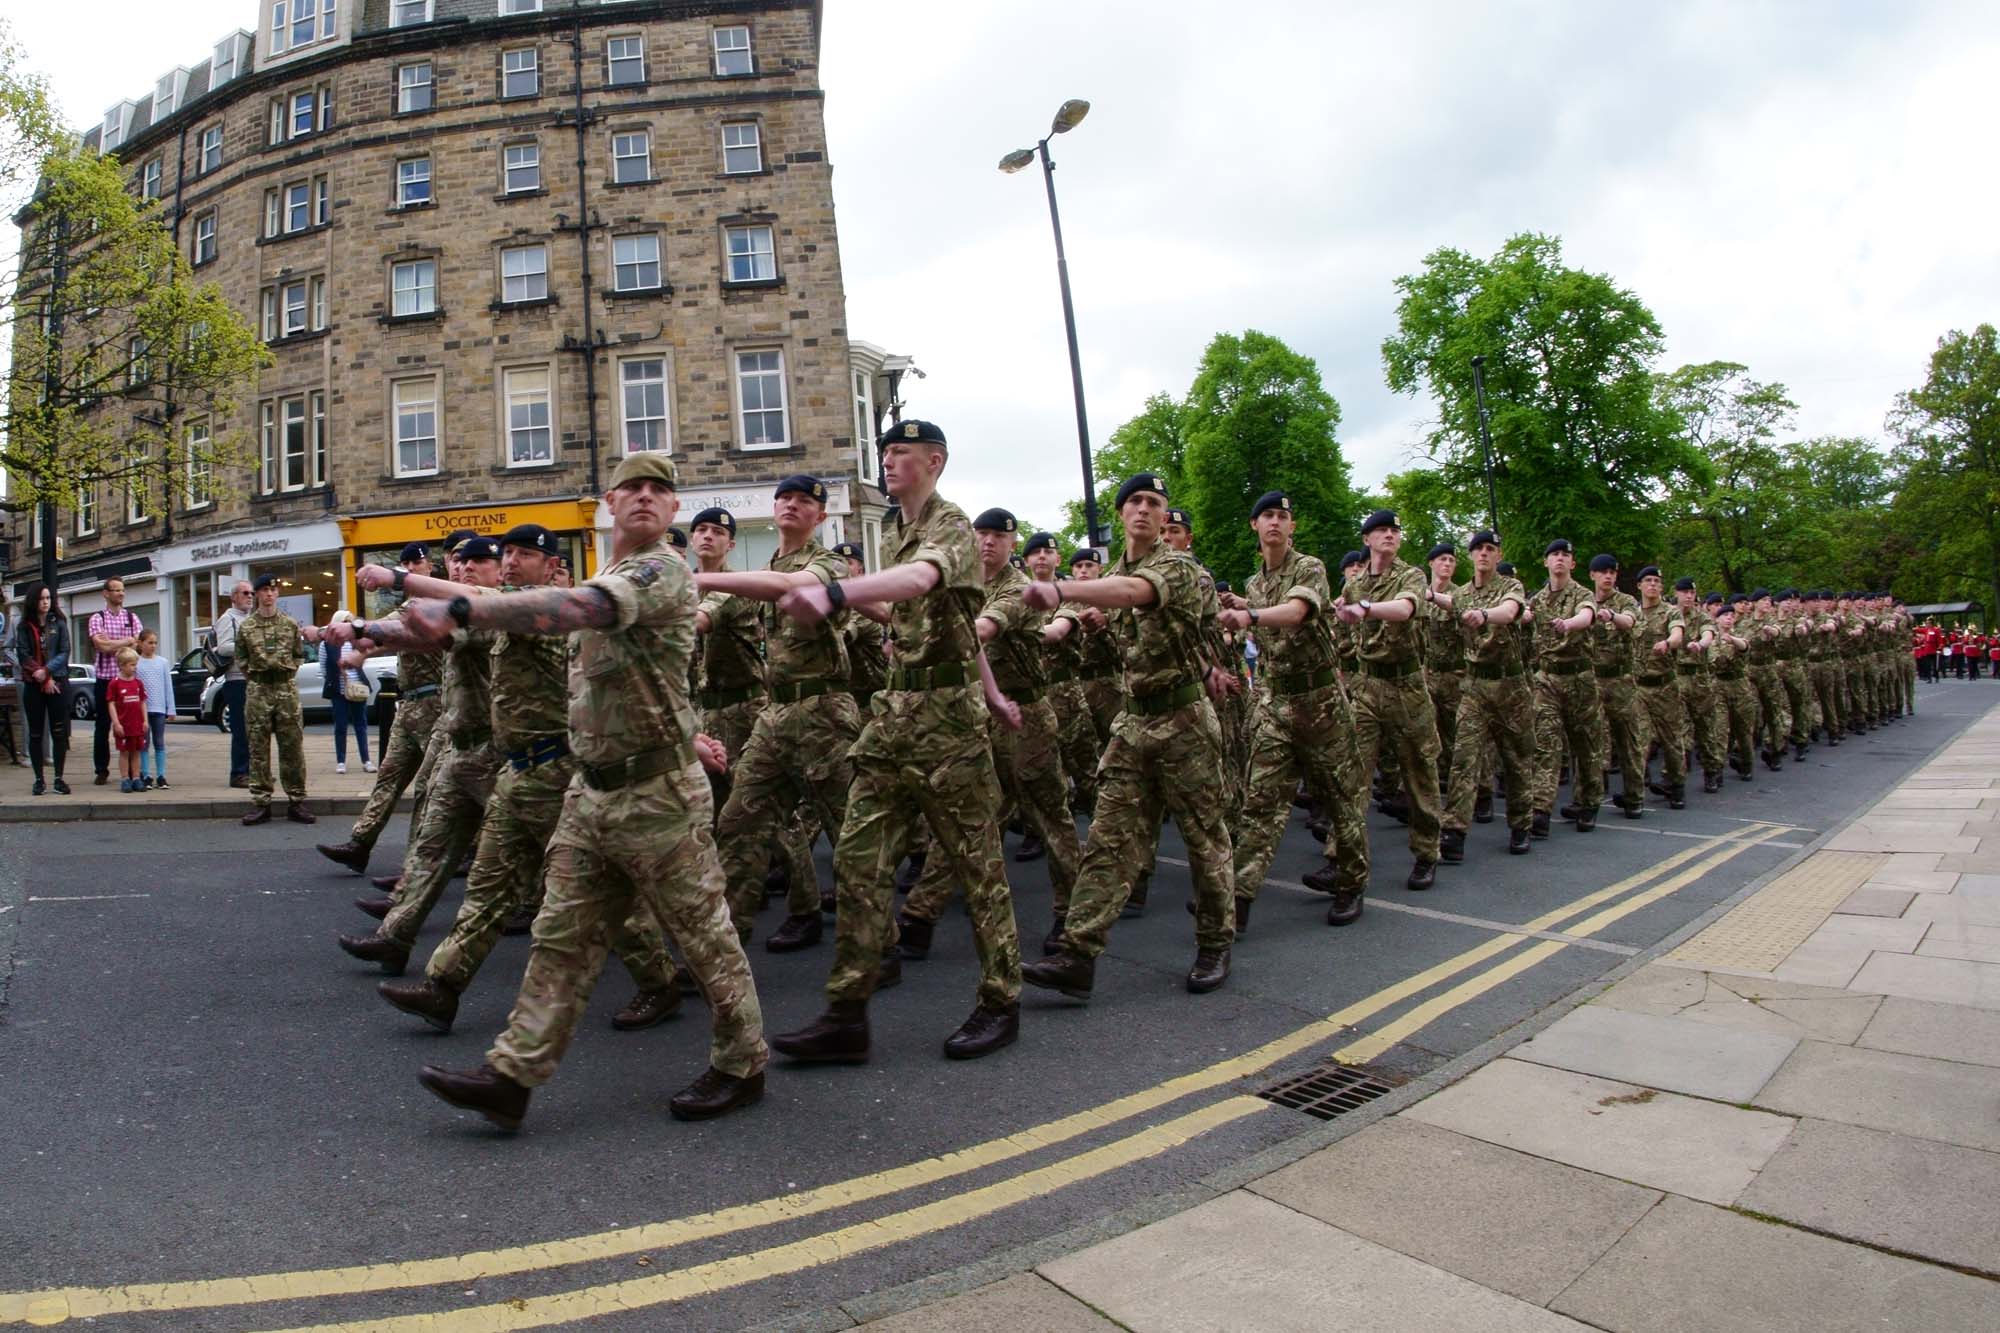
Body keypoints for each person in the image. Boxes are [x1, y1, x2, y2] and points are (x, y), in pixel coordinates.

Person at [410, 452, 768, 1129]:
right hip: (593, 789)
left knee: (704, 938)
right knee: (560, 933)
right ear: (609, 500)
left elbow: (580, 607)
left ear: (672, 510)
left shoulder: (659, 571)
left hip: (658, 794)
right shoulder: (611, 570)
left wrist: (460, 605)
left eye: (659, 489)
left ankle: (742, 1061)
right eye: (632, 486)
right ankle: (512, 1074)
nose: (645, 496)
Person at [765, 420, 1026, 1062]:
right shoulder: (901, 532)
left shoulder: (951, 527)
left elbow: (920, 585)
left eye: (899, 451)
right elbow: (956, 629)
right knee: (857, 857)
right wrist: (994, 690)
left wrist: (834, 592)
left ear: (934, 460)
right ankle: (847, 1011)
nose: (886, 459)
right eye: (883, 450)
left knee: (977, 865)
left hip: (947, 729)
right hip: (894, 717)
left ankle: (1001, 1001)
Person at [1020, 471, 1238, 999]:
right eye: (1134, 501)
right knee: (1107, 837)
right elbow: (1110, 619)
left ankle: (1214, 944)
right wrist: (1083, 624)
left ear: (1165, 517)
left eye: (1154, 503)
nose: (1143, 509)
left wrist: (1059, 589)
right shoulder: (1114, 572)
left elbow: (1134, 592)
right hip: (1134, 722)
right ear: (1120, 513)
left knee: (1203, 839)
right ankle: (1079, 953)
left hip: (1184, 720)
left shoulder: (1180, 569)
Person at [901, 507, 1081, 959]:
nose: (986, 543)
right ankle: (920, 916)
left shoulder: (1016, 588)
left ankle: (1072, 915)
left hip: (1026, 715)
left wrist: (930, 638)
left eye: (996, 536)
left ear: (1011, 542)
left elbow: (984, 627)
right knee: (966, 816)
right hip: (979, 714)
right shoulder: (966, 586)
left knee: (1049, 815)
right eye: (980, 535)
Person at [696, 478, 862, 952]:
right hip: (776, 714)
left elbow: (792, 587)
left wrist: (701, 578)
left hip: (824, 713)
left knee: (849, 836)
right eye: (786, 499)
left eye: (806, 501)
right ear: (773, 509)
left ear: (821, 517)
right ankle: (723, 949)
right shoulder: (770, 564)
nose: (793, 505)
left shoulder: (826, 563)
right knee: (738, 823)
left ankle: (878, 944)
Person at [1219, 491, 1371, 927]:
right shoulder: (1254, 583)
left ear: (1292, 527)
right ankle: (1240, 896)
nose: (1274, 522)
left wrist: (1252, 617)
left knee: (1342, 798)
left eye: (1282, 517)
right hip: (1278, 702)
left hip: (1321, 702)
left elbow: (1298, 610)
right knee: (1262, 800)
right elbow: (1268, 610)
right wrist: (1245, 606)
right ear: (1255, 525)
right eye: (1267, 515)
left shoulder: (1310, 567)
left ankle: (1351, 882)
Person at [317, 542, 447, 877]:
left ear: (428, 567)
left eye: (415, 564)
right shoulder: (410, 605)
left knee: (429, 787)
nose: (409, 569)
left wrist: (350, 633)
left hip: (436, 703)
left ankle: (417, 869)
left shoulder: (438, 602)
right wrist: (362, 652)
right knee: (389, 776)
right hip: (410, 702)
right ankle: (360, 843)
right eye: (404, 563)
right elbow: (391, 634)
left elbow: (392, 629)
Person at [1336, 509, 1443, 889]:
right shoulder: (1354, 584)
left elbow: (1405, 608)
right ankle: (1343, 860)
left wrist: (1366, 609)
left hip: (1407, 687)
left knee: (1419, 773)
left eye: (1394, 531)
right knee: (1353, 774)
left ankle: (1427, 852)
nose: (1389, 536)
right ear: (1366, 540)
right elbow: (1345, 642)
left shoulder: (1410, 575)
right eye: (1381, 530)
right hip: (1367, 687)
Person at [1433, 530, 1535, 861]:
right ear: (1471, 555)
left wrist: (1485, 615)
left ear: (1498, 555)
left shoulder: (1510, 587)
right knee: (1464, 758)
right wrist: (1430, 595)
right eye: (1478, 549)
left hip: (1510, 687)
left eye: (1490, 549)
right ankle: (1455, 830)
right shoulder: (1462, 593)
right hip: (1474, 687)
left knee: (1516, 759)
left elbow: (1508, 611)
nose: (1484, 554)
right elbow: (1453, 604)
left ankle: (1521, 824)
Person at [239, 573, 319, 824]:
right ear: (257, 595)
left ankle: (297, 801)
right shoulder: (247, 627)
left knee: (292, 747)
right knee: (258, 748)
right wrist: (257, 676)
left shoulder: (290, 624)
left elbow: (298, 655)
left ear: (277, 593)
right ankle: (261, 802)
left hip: (285, 689)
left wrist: (284, 673)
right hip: (259, 689)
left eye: (273, 590)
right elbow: (241, 660)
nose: (269, 594)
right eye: (263, 590)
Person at [1586, 554, 1646, 817]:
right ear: (1593, 575)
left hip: (1620, 681)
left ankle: (1634, 797)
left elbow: (1630, 622)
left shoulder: (1626, 601)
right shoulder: (1583, 602)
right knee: (1592, 741)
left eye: (1612, 572)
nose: (1608, 576)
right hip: (1592, 679)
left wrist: (1612, 616)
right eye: (1603, 572)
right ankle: (1590, 798)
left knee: (1628, 741)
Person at [1633, 567, 1690, 808]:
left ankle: (1676, 785)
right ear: (1639, 586)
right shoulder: (1632, 613)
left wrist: (1668, 642)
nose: (1653, 585)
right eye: (1648, 580)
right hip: (1639, 687)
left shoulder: (1670, 612)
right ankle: (1635, 791)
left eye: (1657, 581)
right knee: (1639, 739)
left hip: (1665, 685)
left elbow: (1678, 635)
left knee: (1671, 739)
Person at [12, 583, 71, 795]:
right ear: (33, 601)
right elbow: (23, 654)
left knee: (59, 732)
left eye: (48, 598)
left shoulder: (60, 622)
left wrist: (46, 671)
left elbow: (64, 652)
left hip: (58, 682)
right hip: (33, 684)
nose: (45, 602)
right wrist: (40, 674)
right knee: (36, 733)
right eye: (41, 598)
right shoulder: (24, 625)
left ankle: (58, 778)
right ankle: (39, 779)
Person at [86, 577, 144, 786]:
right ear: (106, 593)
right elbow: (102, 646)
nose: (121, 594)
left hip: (128, 680)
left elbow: (137, 646)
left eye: (122, 590)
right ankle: (101, 769)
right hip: (105, 679)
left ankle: (131, 771)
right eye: (116, 590)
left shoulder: (132, 617)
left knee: (130, 725)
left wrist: (116, 643)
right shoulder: (97, 618)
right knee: (102, 725)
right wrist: (125, 641)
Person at [212, 580, 254, 788]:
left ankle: (253, 771)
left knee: (255, 729)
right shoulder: (227, 618)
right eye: (245, 593)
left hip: (252, 679)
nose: (250, 596)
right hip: (236, 680)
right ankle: (238, 773)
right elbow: (223, 648)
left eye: (251, 593)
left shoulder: (250, 618)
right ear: (234, 596)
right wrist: (248, 645)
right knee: (241, 729)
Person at [321, 611, 373, 775]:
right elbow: (324, 668)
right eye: (344, 622)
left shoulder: (356, 642)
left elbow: (362, 660)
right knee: (341, 726)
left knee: (361, 725)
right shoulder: (327, 644)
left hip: (357, 687)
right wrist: (335, 679)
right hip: (339, 691)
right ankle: (341, 761)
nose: (347, 626)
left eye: (349, 623)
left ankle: (366, 760)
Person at [133, 629, 175, 790]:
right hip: (141, 709)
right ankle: (146, 774)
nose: (153, 646)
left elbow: (167, 686)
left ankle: (161, 774)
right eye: (149, 642)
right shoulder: (136, 662)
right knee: (144, 742)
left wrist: (170, 708)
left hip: (158, 707)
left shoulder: (162, 662)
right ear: (141, 643)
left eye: (155, 643)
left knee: (159, 741)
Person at [106, 648, 147, 792]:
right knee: (124, 752)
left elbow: (142, 702)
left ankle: (136, 777)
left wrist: (145, 721)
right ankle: (125, 778)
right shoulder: (115, 683)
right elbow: (111, 703)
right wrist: (116, 723)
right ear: (122, 665)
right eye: (131, 665)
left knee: (136, 751)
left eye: (135, 664)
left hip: (137, 724)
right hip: (123, 725)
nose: (134, 668)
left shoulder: (138, 683)